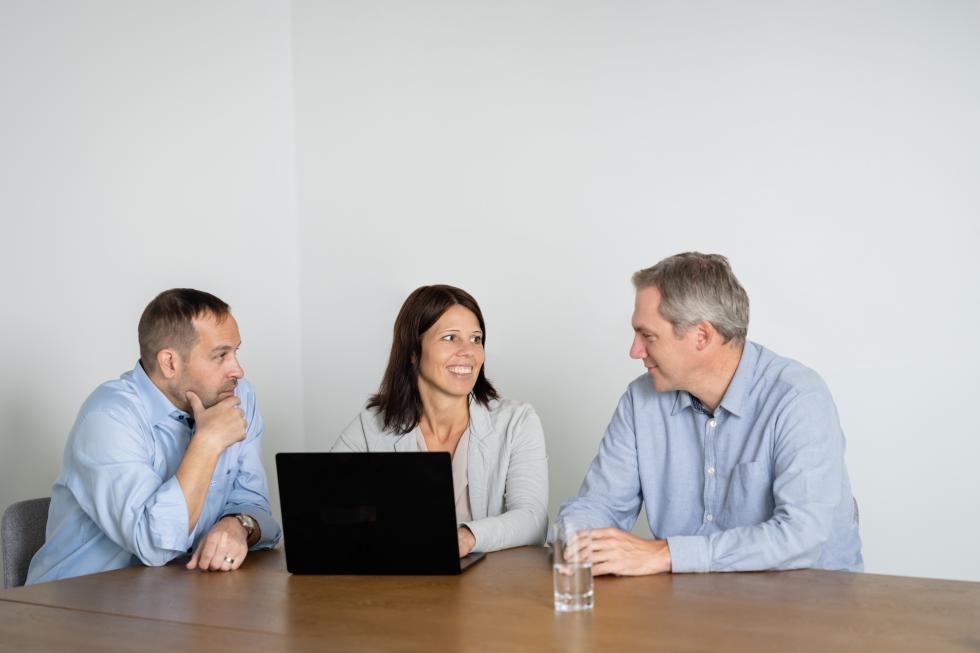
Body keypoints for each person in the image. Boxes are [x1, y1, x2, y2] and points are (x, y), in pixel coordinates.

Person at [557, 253, 862, 575]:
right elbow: (599, 504)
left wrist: (666, 554)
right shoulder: (640, 400)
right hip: (690, 605)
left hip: (808, 608)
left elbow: (802, 535)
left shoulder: (798, 398)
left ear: (702, 336)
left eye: (647, 336)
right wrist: (581, 540)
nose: (634, 351)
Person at [27, 289, 281, 584]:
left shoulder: (237, 396)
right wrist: (208, 442)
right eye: (221, 355)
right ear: (170, 363)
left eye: (236, 352)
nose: (238, 369)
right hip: (76, 606)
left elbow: (256, 505)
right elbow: (155, 545)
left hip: (175, 598)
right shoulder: (108, 417)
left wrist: (237, 525)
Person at [332, 285, 548, 557]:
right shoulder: (371, 426)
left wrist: (467, 537)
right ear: (413, 351)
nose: (468, 351)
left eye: (476, 339)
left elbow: (533, 520)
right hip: (399, 586)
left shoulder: (517, 421)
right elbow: (331, 510)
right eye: (450, 338)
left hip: (491, 590)